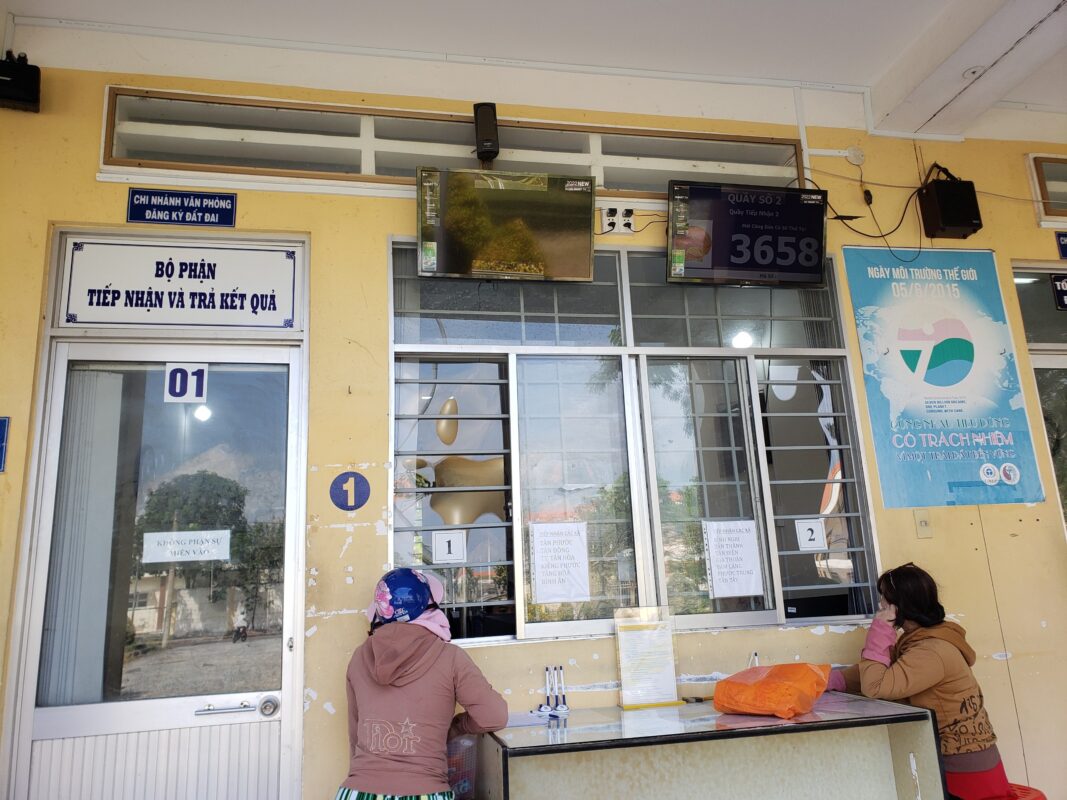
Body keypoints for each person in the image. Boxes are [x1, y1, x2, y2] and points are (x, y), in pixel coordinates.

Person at [829, 563, 1015, 800]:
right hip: (953, 758)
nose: (880, 604)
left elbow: (875, 686)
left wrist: (880, 630)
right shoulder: (920, 640)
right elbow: (887, 670)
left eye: (884, 598)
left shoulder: (931, 651)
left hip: (963, 769)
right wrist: (826, 680)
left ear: (899, 605)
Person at [337, 567, 508, 800]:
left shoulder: (359, 657)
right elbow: (495, 716)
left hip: (357, 792)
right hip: (425, 791)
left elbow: (355, 735)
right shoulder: (450, 657)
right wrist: (457, 726)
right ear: (426, 608)